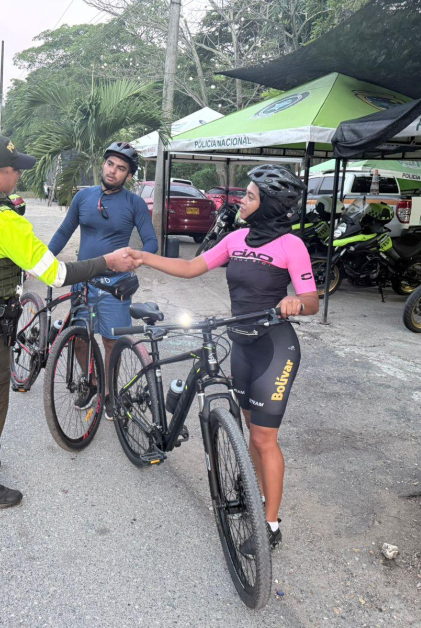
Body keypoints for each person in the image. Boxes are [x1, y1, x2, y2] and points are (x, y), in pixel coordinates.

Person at [0, 135, 138, 509]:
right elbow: (53, 273)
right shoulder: (0, 220)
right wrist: (107, 263)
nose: (19, 176)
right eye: (14, 170)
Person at [129, 165, 319, 552]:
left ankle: (270, 525)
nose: (242, 201)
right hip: (241, 344)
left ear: (268, 205)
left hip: (274, 347)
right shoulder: (236, 238)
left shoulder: (290, 246)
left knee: (265, 437)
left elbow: (312, 300)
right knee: (251, 428)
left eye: (250, 196)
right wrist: (144, 258)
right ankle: (253, 491)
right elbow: (190, 267)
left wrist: (294, 301)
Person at [48, 142, 158, 412]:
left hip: (114, 287)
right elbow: (64, 232)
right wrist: (44, 260)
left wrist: (133, 262)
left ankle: (110, 392)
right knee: (79, 338)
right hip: (83, 280)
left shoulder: (135, 203)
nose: (113, 171)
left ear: (129, 176)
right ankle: (92, 382)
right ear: (103, 164)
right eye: (110, 164)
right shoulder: (83, 197)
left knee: (112, 342)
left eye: (121, 168)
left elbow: (151, 243)